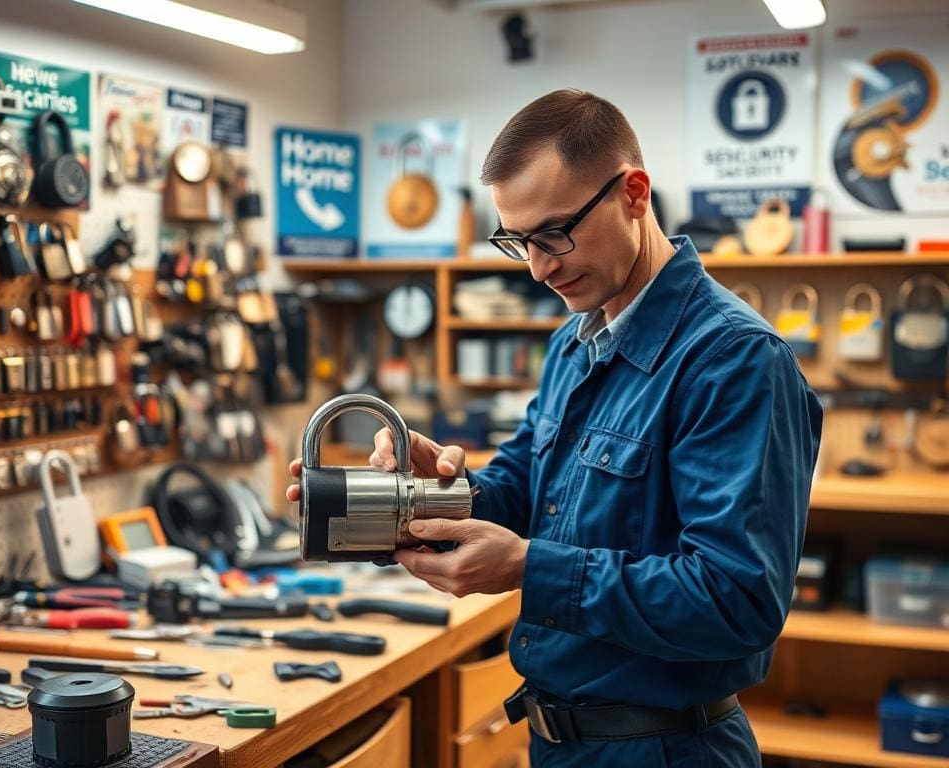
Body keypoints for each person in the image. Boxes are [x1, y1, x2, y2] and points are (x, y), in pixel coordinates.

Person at [288, 89, 822, 767]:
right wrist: (429, 490)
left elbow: (736, 599)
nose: (540, 267)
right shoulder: (574, 343)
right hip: (558, 743)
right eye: (517, 241)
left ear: (633, 193)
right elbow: (529, 488)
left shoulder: (734, 361)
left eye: (554, 234)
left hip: (663, 750)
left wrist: (529, 568)